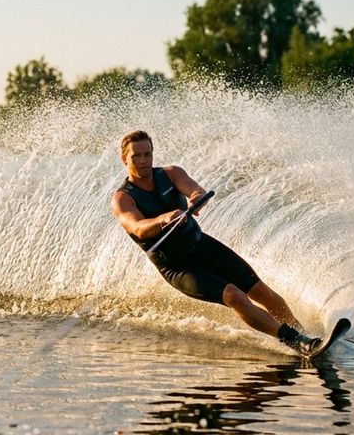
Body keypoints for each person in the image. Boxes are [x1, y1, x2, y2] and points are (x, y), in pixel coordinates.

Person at [111, 129, 323, 355]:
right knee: (233, 295)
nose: (143, 160)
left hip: (202, 246)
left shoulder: (171, 174)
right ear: (125, 158)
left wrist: (196, 197)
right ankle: (295, 341)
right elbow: (138, 228)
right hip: (178, 267)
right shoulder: (123, 198)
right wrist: (163, 219)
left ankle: (305, 336)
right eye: (136, 156)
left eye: (147, 154)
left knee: (260, 290)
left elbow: (194, 189)